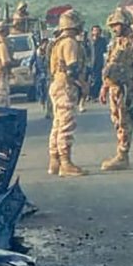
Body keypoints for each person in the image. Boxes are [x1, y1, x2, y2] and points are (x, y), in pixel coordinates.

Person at [99, 7, 133, 171]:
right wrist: (104, 88)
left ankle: (122, 155)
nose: (113, 29)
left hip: (126, 89)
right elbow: (110, 66)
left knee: (125, 123)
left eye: (116, 25)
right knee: (117, 122)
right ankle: (121, 152)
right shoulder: (115, 44)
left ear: (125, 24)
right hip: (114, 88)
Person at [46, 10, 87, 177]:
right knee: (66, 125)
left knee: (57, 124)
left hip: (56, 83)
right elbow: (72, 68)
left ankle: (54, 161)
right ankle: (65, 163)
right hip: (65, 86)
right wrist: (82, 84)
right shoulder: (70, 42)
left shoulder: (57, 42)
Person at [83, 25, 107, 113]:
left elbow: (105, 51)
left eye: (97, 30)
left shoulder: (102, 40)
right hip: (89, 63)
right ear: (92, 31)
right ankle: (87, 95)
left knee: (98, 79)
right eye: (94, 30)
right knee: (87, 80)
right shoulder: (88, 41)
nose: (96, 32)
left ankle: (94, 95)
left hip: (98, 62)